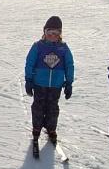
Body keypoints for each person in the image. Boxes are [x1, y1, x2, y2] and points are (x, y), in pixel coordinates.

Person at [24, 16, 74, 151]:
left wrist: (69, 82)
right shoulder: (38, 46)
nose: (52, 36)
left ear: (60, 34)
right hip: (39, 83)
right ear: (44, 32)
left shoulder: (63, 48)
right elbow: (30, 63)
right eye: (49, 33)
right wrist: (29, 80)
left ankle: (51, 129)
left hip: (56, 85)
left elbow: (69, 65)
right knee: (38, 107)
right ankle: (37, 128)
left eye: (56, 33)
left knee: (52, 108)